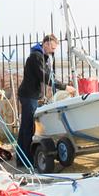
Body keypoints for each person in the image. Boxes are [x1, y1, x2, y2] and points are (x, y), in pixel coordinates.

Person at [16, 34, 75, 167]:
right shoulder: (36, 57)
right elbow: (46, 76)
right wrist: (65, 87)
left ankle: (21, 159)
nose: (53, 51)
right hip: (29, 95)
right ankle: (27, 160)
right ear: (46, 43)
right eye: (52, 48)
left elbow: (48, 76)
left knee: (25, 127)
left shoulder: (42, 57)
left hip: (31, 95)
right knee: (28, 127)